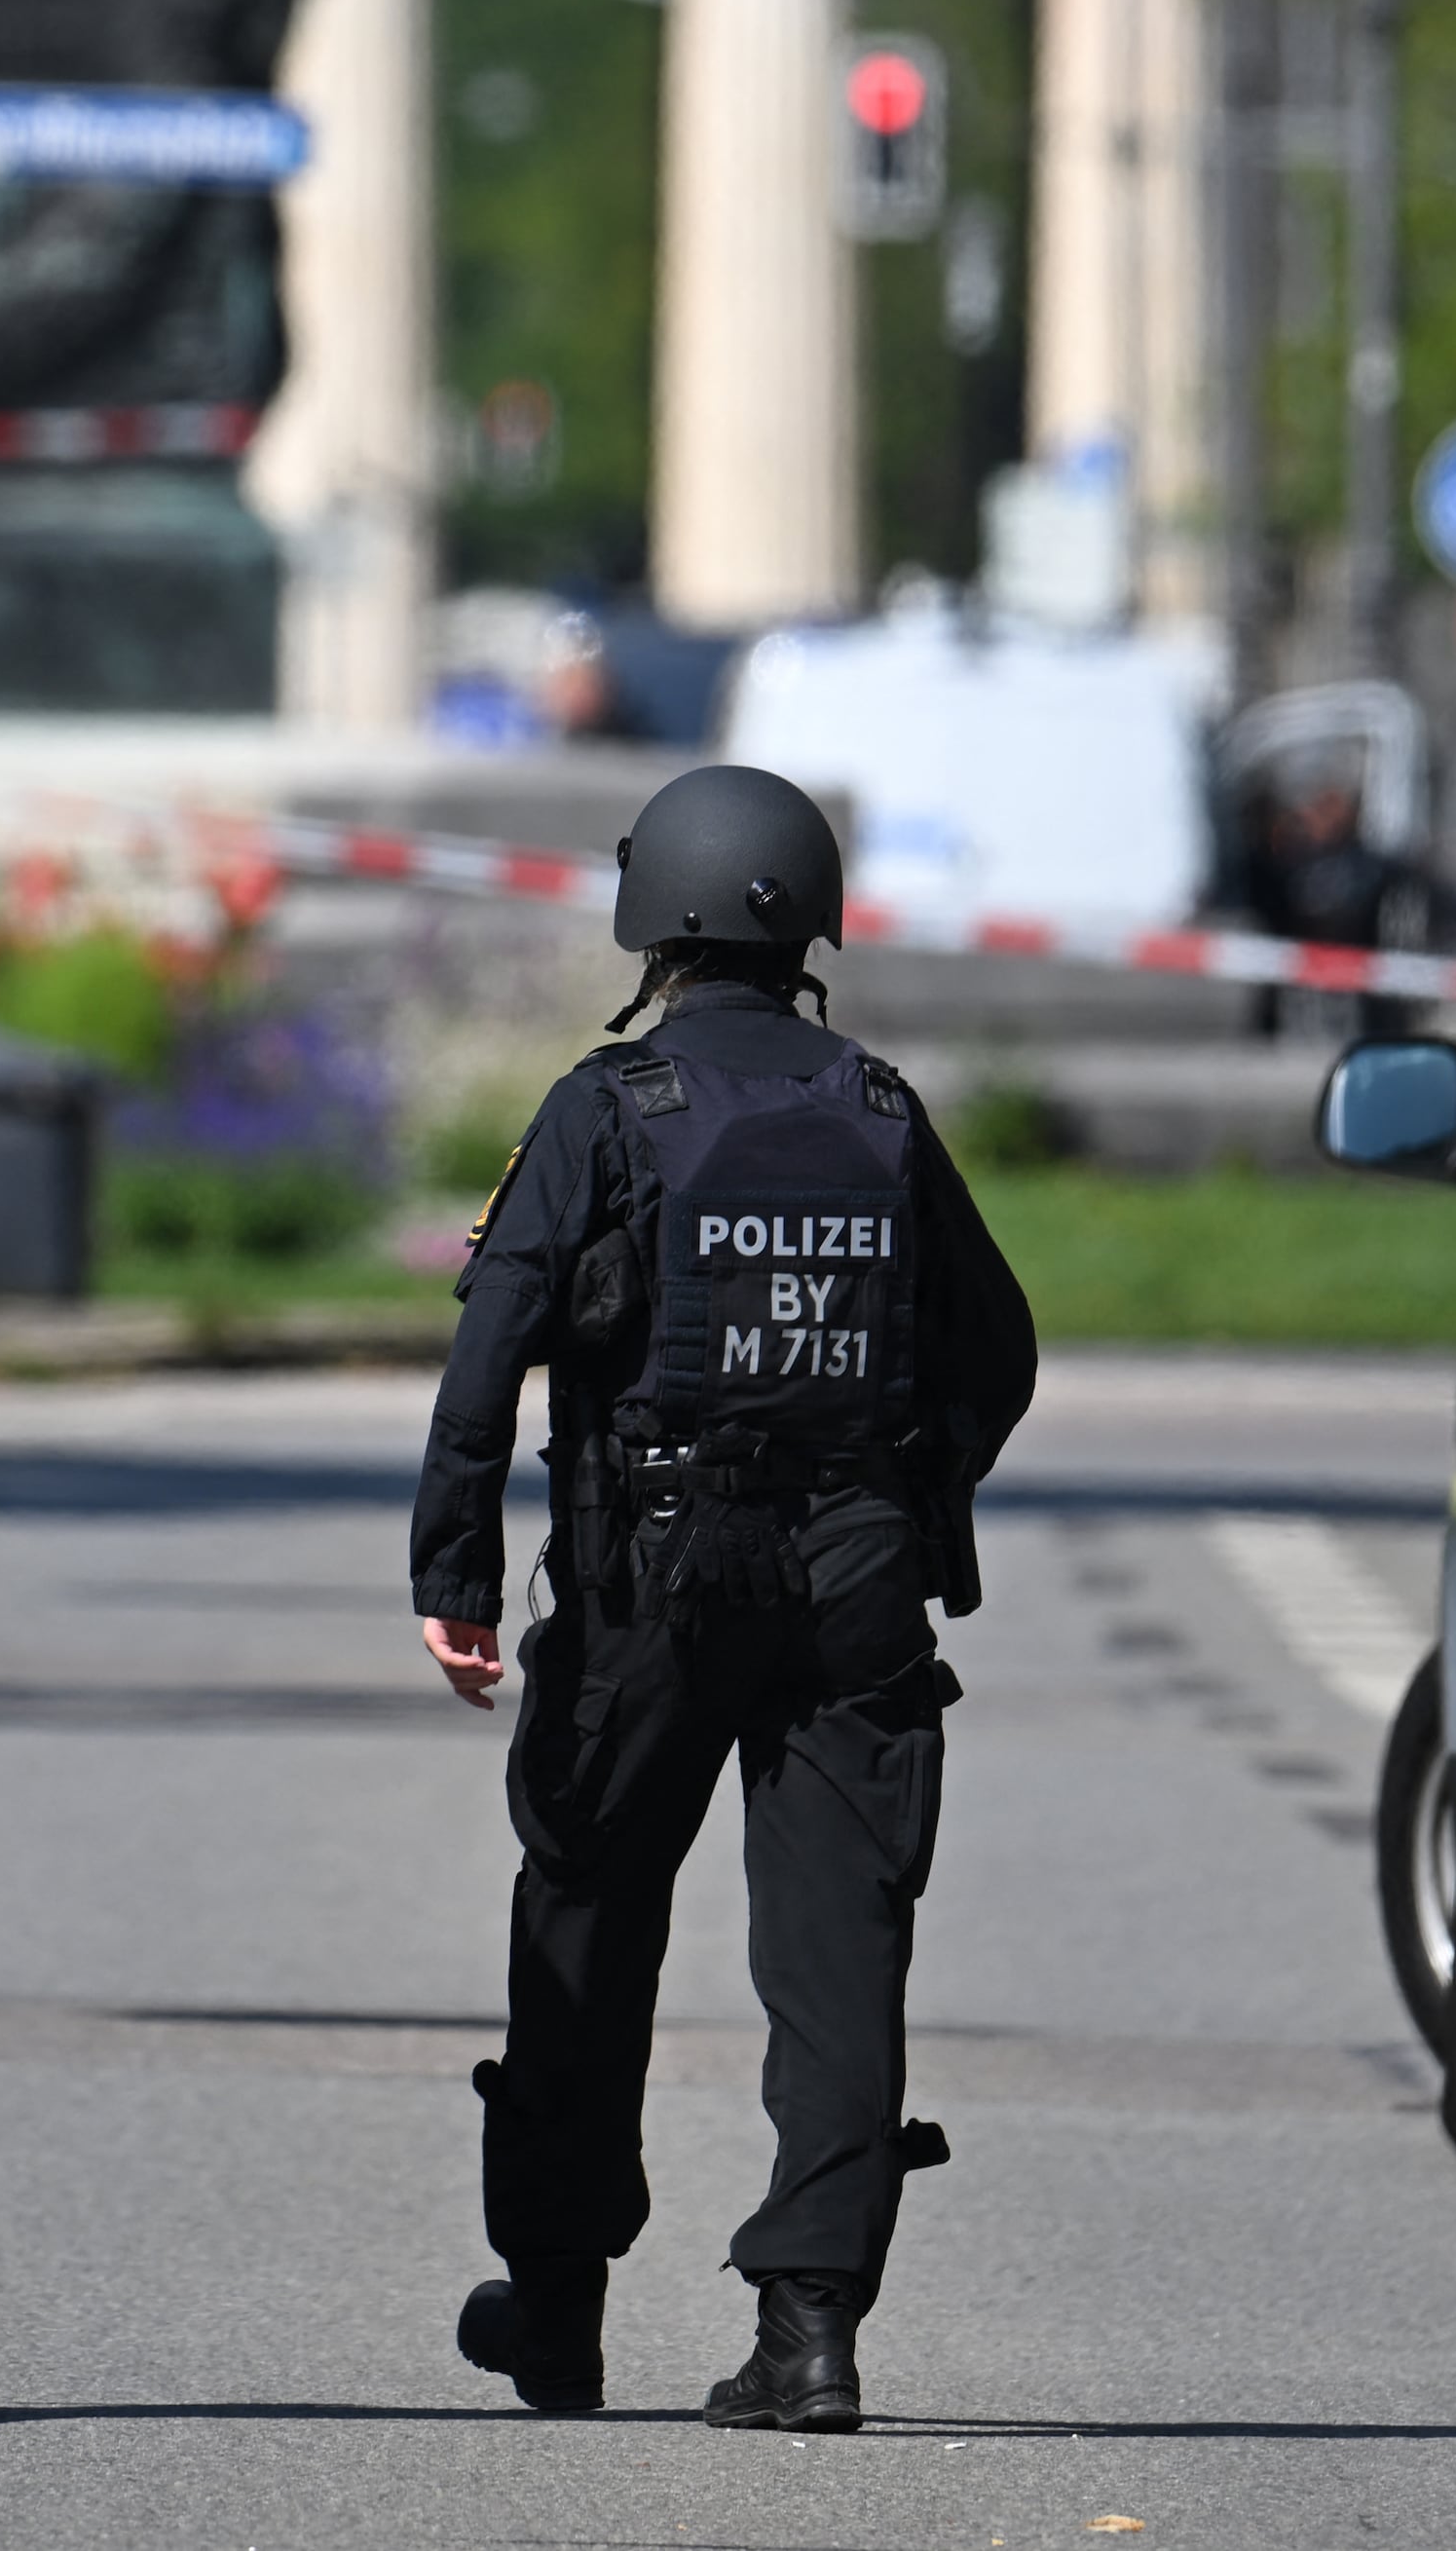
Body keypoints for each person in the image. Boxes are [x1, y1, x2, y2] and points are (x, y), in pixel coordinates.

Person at [413, 764, 1037, 2432]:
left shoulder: (610, 1107)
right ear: (806, 911)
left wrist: (454, 1569)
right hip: (854, 1585)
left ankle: (554, 2306)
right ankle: (810, 2328)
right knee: (839, 1953)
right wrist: (912, 1498)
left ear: (655, 911)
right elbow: (998, 1350)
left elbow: (493, 1342)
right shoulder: (884, 1109)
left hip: (650, 1581)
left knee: (588, 1920)